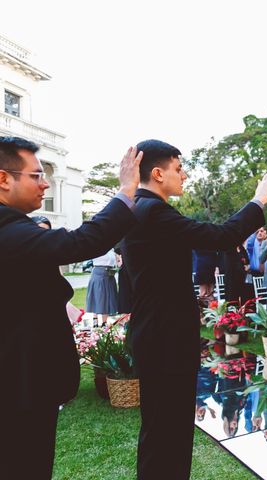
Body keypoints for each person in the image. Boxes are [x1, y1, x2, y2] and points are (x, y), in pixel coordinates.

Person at [122, 139, 267, 480]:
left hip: (155, 333)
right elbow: (220, 236)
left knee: (163, 432)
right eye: (178, 169)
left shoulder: (139, 209)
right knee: (169, 433)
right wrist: (258, 201)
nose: (184, 175)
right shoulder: (153, 211)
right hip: (165, 338)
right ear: (157, 172)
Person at [0, 136, 141, 479]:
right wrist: (126, 191)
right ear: (4, 179)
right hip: (20, 387)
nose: (45, 182)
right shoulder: (8, 229)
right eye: (35, 176)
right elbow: (82, 241)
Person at [85, 248, 119, 327]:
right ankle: (95, 322)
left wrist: (117, 260)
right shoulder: (97, 246)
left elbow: (115, 263)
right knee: (98, 297)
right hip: (98, 274)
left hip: (110, 276)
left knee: (108, 299)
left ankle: (104, 323)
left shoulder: (112, 250)